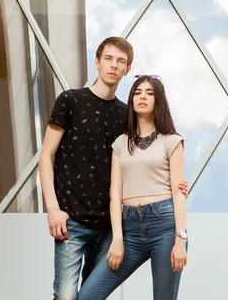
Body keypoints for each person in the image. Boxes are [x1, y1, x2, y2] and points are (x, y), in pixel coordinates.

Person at [39, 38, 188, 300]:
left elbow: (144, 161)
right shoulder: (70, 100)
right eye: (108, 58)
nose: (113, 65)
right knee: (66, 296)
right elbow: (46, 156)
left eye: (121, 61)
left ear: (127, 69)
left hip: (112, 224)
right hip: (72, 220)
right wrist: (53, 209)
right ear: (97, 62)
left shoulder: (125, 117)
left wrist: (176, 187)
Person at [77, 74, 188, 300]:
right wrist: (117, 239)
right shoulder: (120, 142)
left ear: (159, 101)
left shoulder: (172, 140)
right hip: (130, 232)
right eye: (137, 93)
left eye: (149, 93)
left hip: (164, 227)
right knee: (87, 296)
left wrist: (180, 239)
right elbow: (115, 193)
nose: (142, 97)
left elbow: (178, 193)